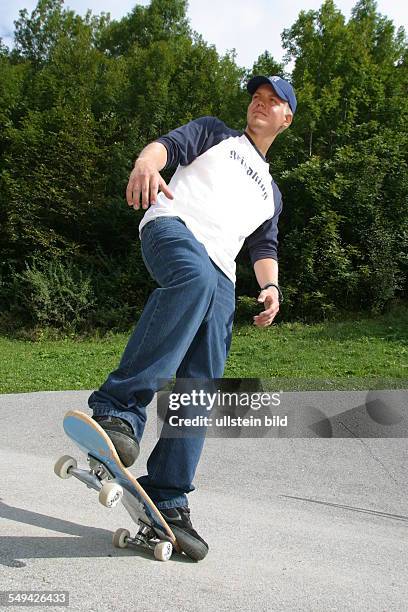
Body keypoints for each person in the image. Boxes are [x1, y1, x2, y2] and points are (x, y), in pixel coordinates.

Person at [88, 75, 296, 559]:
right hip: (173, 227)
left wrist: (270, 286)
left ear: (287, 118)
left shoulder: (272, 193)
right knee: (194, 279)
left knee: (204, 377)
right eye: (256, 98)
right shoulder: (215, 133)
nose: (260, 105)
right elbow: (168, 146)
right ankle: (118, 410)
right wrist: (146, 161)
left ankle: (168, 492)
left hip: (224, 269)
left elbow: (264, 244)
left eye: (273, 102)